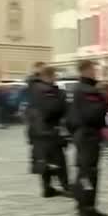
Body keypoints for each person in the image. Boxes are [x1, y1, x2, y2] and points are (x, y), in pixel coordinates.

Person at [68, 60, 108, 216]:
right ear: (86, 70)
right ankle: (88, 209)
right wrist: (104, 99)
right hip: (89, 135)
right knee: (88, 172)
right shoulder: (88, 91)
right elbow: (94, 114)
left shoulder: (78, 88)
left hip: (81, 134)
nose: (95, 72)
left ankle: (82, 205)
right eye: (93, 69)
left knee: (83, 170)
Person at [32, 66, 71, 198]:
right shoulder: (47, 91)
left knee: (45, 160)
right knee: (59, 160)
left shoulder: (34, 89)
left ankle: (47, 188)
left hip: (39, 131)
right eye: (55, 75)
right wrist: (62, 100)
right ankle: (66, 187)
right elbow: (51, 110)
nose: (56, 78)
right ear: (48, 76)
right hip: (49, 130)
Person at [25, 62, 46, 174]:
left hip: (33, 114)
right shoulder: (35, 83)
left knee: (36, 142)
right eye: (42, 68)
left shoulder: (32, 82)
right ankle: (37, 165)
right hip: (36, 115)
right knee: (37, 141)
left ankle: (35, 164)